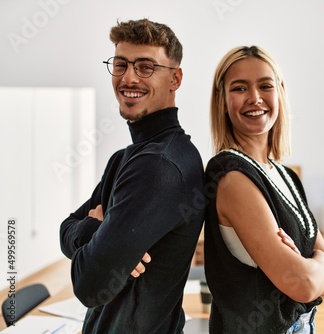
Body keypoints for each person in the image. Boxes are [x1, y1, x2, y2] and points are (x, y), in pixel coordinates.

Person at [59, 19, 205, 334]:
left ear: (175, 79)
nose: (128, 78)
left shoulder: (160, 166)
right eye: (121, 64)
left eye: (145, 67)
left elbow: (90, 285)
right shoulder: (124, 160)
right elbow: (65, 228)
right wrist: (94, 232)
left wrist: (98, 241)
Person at [204, 45, 324, 333]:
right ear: (222, 100)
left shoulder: (286, 176)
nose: (255, 98)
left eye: (265, 86)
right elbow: (302, 285)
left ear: (279, 93)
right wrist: (316, 264)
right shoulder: (230, 175)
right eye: (239, 88)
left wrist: (309, 265)